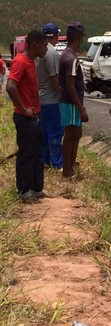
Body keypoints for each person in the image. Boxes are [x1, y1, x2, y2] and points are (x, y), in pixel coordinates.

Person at [6, 30, 48, 200]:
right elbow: (10, 86)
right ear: (34, 44)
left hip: (34, 116)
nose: (46, 49)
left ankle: (36, 188)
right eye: (44, 45)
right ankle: (24, 191)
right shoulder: (21, 62)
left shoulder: (31, 62)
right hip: (25, 118)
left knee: (38, 152)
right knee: (27, 153)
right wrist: (23, 109)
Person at [59, 22, 88, 181]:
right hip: (70, 103)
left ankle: (71, 167)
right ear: (78, 37)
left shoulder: (66, 54)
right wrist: (81, 108)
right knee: (71, 135)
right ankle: (67, 171)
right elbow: (70, 86)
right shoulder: (71, 58)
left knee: (76, 133)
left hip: (69, 102)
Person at [37, 23, 64, 171]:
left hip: (41, 98)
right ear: (56, 37)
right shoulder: (51, 52)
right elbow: (54, 78)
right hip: (51, 99)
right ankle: (57, 163)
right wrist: (60, 94)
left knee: (45, 132)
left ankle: (45, 160)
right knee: (55, 131)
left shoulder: (39, 52)